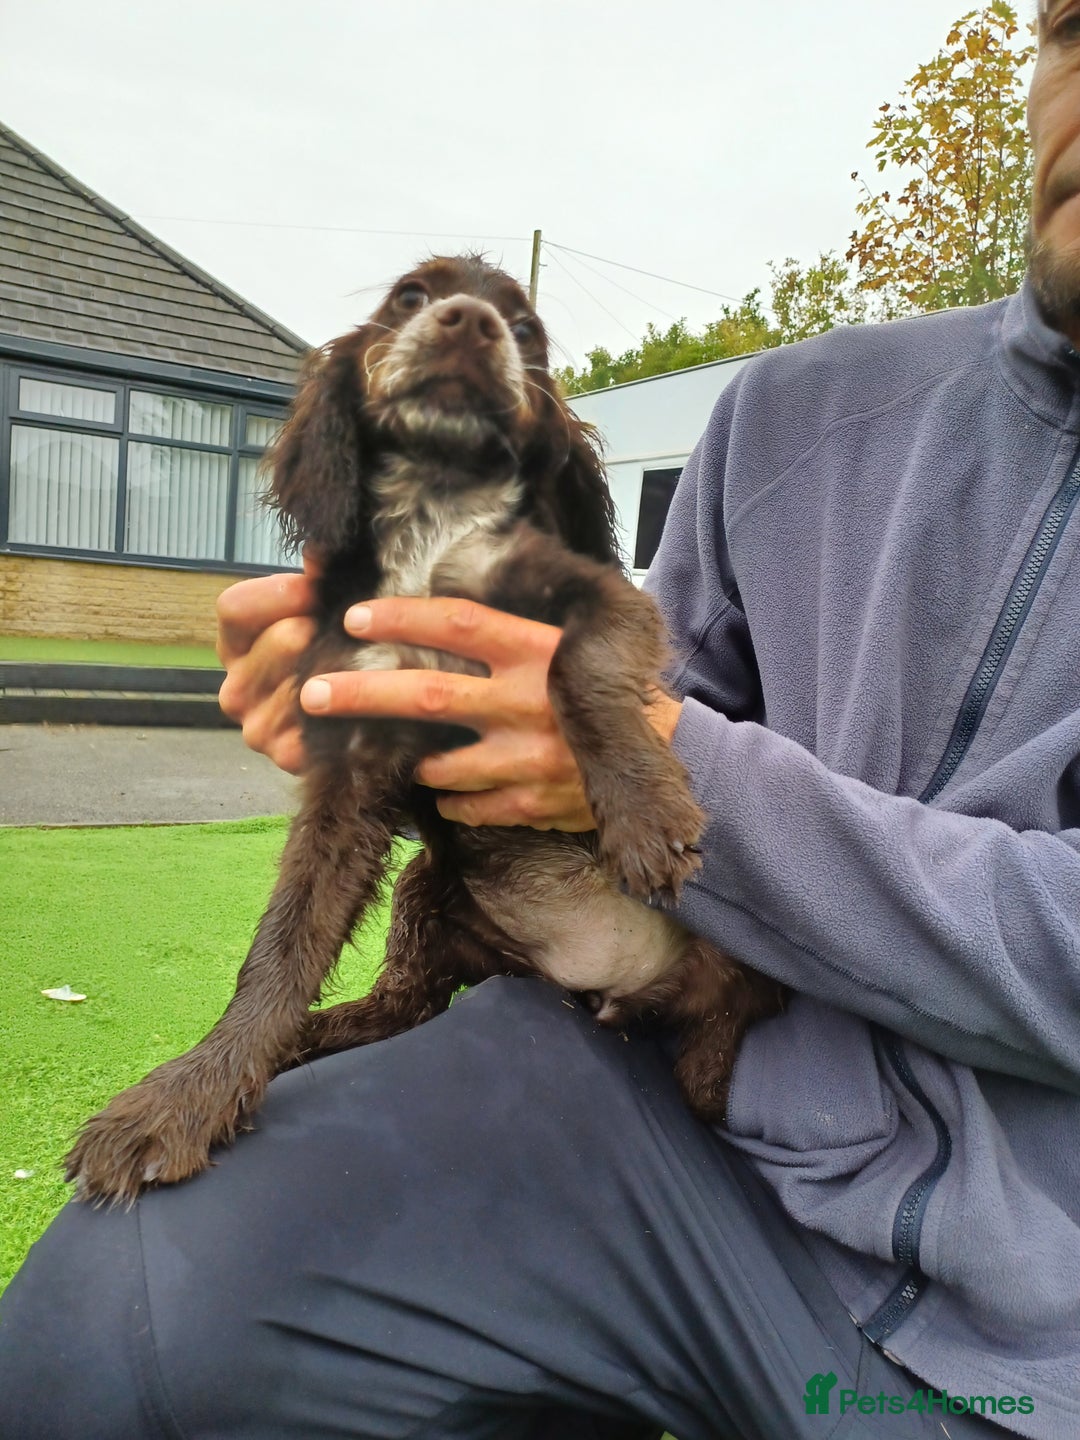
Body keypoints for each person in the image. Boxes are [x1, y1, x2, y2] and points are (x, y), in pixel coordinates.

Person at [3, 7, 1080, 1437]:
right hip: (677, 1110)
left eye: (517, 328)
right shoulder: (790, 413)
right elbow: (660, 666)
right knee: (115, 1313)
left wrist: (644, 759)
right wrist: (438, 727)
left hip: (1033, 1316)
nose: (467, 328)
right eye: (1079, 23)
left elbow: (645, 702)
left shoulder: (569, 558)